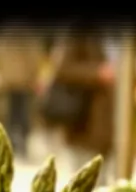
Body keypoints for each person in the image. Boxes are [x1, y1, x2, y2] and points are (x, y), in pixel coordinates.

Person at [38, 33, 116, 172]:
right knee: (82, 179)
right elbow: (62, 68)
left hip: (106, 129)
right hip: (83, 123)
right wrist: (97, 73)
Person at [0, 26, 44, 160]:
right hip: (24, 82)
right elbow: (35, 57)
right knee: (23, 114)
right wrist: (34, 75)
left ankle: (11, 144)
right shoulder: (29, 36)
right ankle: (22, 143)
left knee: (10, 114)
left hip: (8, 81)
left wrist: (2, 73)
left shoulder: (3, 36)